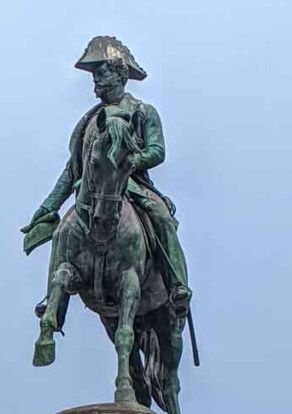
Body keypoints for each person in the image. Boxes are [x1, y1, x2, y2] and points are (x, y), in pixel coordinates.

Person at [23, 36, 191, 313]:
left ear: (119, 75)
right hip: (92, 187)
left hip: (131, 184)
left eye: (101, 75)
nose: (96, 82)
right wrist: (46, 208)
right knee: (64, 231)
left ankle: (177, 284)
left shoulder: (143, 112)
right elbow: (72, 169)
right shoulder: (90, 121)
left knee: (160, 215)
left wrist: (130, 161)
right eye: (94, 76)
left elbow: (157, 151)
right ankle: (53, 306)